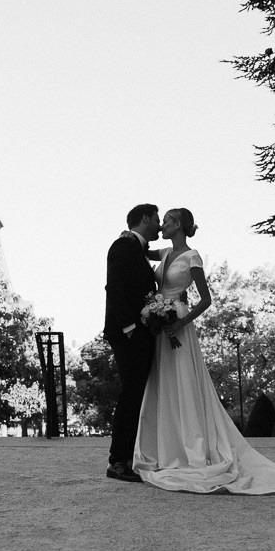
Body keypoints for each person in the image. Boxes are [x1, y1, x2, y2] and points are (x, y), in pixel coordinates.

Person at [132, 208, 275, 494]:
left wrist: (180, 323)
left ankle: (192, 448)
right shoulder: (163, 254)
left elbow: (206, 299)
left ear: (178, 225)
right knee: (164, 383)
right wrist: (131, 236)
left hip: (178, 323)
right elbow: (139, 251)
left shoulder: (192, 257)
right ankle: (166, 447)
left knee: (183, 384)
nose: (162, 226)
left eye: (167, 222)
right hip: (163, 324)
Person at [103, 203, 160, 482]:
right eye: (157, 219)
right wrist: (129, 327)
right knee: (131, 393)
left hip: (139, 330)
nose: (160, 224)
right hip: (129, 332)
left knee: (137, 393)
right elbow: (115, 287)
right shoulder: (122, 246)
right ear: (145, 218)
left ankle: (127, 457)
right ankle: (117, 461)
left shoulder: (136, 247)